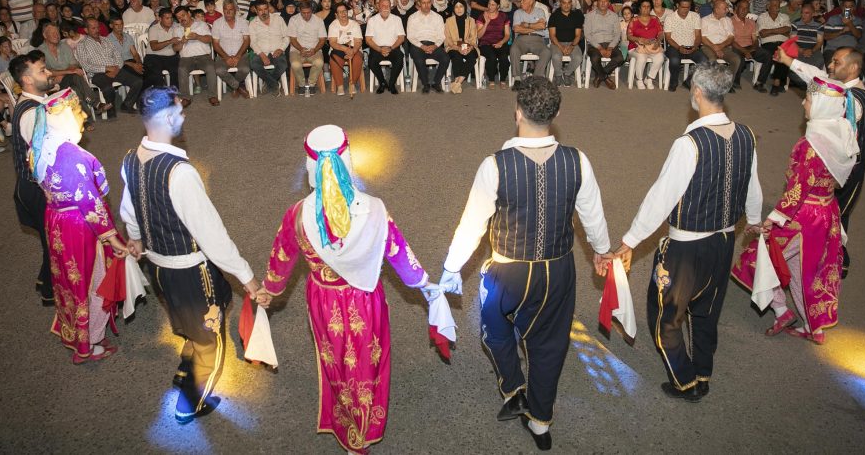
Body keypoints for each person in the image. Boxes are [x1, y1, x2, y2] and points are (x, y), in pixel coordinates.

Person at [439, 76, 611, 451]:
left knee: (495, 328)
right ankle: (540, 420)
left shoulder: (495, 165)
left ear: (516, 112)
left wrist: (453, 266)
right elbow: (592, 216)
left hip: (507, 270)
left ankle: (513, 386)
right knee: (550, 345)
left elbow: (473, 222)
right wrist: (602, 248)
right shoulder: (577, 160)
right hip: (558, 269)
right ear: (557, 113)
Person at [254, 125, 440, 453]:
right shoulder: (374, 209)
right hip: (366, 297)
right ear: (347, 160)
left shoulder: (296, 216)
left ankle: (348, 424)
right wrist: (423, 283)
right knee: (369, 358)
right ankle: (367, 420)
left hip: (324, 299)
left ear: (310, 166)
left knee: (337, 359)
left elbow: (281, 258)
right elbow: (398, 252)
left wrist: (269, 289)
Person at [611, 63, 761, 402]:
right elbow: (753, 185)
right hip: (724, 242)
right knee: (707, 311)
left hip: (686, 248)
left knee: (665, 315)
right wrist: (752, 218)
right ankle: (704, 372)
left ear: (697, 93)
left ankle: (685, 380)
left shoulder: (689, 143)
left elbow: (662, 196)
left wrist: (630, 240)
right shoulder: (746, 135)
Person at [120, 87, 262, 425]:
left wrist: (136, 238)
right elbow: (211, 235)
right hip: (191, 271)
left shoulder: (130, 158)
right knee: (210, 336)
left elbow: (129, 208)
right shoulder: (180, 173)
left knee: (184, 317)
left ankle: (186, 363)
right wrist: (247, 276)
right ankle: (190, 403)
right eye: (180, 112)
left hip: (158, 267)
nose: (183, 117)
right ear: (168, 117)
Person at [733, 77, 858, 345]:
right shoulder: (844, 134)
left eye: (809, 99)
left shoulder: (811, 144)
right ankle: (814, 326)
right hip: (827, 211)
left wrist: (773, 219)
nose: (803, 102)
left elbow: (799, 188)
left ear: (823, 106)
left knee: (759, 258)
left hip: (803, 216)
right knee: (809, 270)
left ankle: (780, 309)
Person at [30, 88, 130, 362]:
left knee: (67, 279)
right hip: (79, 226)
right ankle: (92, 343)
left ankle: (73, 332)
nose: (84, 115)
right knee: (92, 279)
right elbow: (92, 205)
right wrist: (114, 239)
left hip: (56, 221)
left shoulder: (41, 147)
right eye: (77, 111)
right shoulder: (72, 158)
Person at [774, 46, 865, 278]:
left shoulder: (853, 98)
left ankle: (838, 259)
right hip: (830, 162)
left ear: (853, 67)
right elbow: (817, 77)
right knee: (822, 210)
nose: (830, 66)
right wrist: (789, 61)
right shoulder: (839, 86)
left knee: (837, 213)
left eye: (837, 63)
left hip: (848, 168)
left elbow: (837, 128)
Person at [9, 52, 56, 305]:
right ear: (27, 80)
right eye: (41, 70)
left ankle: (42, 279)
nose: (48, 73)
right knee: (55, 241)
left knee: (50, 237)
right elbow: (39, 158)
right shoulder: (30, 113)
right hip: (37, 187)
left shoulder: (38, 101)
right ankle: (51, 292)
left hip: (35, 184)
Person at [75, 17, 144, 115]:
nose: (97, 30)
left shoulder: (106, 40)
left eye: (97, 27)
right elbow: (86, 66)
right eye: (93, 28)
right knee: (108, 89)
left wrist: (116, 69)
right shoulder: (82, 45)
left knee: (138, 82)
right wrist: (106, 69)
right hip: (97, 74)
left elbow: (118, 57)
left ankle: (126, 104)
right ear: (86, 30)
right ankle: (111, 111)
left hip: (116, 69)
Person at [406, 0, 450, 94]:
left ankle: (436, 82)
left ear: (432, 2)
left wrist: (435, 46)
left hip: (434, 44)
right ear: (419, 3)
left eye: (428, 2)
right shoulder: (412, 18)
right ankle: (425, 84)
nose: (426, 5)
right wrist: (422, 46)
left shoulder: (438, 17)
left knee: (445, 58)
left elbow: (441, 36)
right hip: (418, 45)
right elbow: (410, 36)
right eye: (423, 3)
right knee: (419, 59)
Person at [175, 7, 218, 106]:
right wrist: (181, 42)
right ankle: (185, 97)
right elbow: (175, 49)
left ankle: (212, 96)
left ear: (189, 14)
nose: (181, 19)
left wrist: (197, 36)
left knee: (211, 67)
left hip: (203, 56)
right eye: (178, 17)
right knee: (181, 69)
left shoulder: (201, 24)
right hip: (186, 58)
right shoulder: (177, 28)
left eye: (183, 15)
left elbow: (209, 40)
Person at [247, 0, 289, 96]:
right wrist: (261, 55)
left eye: (265, 9)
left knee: (283, 65)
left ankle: (268, 83)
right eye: (260, 10)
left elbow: (287, 36)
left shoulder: (278, 19)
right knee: (254, 64)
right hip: (262, 51)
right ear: (256, 11)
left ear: (268, 8)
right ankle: (274, 84)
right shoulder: (253, 23)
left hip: (277, 50)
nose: (263, 12)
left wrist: (281, 49)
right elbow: (252, 42)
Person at [663, 0, 706, 91]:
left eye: (688, 7)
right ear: (677, 5)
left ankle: (688, 81)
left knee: (704, 61)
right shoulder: (670, 18)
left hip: (691, 46)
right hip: (674, 46)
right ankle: (674, 81)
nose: (685, 10)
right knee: (674, 60)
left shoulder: (695, 16)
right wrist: (679, 48)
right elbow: (668, 38)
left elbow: (698, 36)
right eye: (683, 7)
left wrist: (695, 46)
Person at [510, 0, 551, 87]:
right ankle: (517, 78)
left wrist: (527, 25)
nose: (521, 2)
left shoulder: (539, 11)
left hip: (537, 40)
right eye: (521, 0)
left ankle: (536, 78)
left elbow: (542, 26)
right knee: (514, 49)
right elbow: (516, 29)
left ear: (531, 1)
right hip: (521, 39)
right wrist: (534, 28)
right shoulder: (518, 12)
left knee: (547, 52)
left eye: (523, 0)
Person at [211, 0, 252, 99]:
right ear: (223, 10)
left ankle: (234, 86)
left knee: (245, 69)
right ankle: (238, 87)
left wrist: (238, 56)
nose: (228, 12)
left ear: (235, 10)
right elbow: (215, 44)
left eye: (231, 9)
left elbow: (247, 41)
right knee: (219, 70)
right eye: (225, 9)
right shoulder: (217, 23)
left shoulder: (243, 22)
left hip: (241, 54)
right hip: (223, 55)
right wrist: (226, 57)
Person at [584, 0, 623, 89]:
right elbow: (587, 34)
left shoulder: (614, 16)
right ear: (597, 2)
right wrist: (599, 47)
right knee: (595, 58)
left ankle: (600, 76)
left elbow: (617, 34)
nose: (603, 3)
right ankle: (605, 77)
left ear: (609, 3)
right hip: (595, 44)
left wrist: (610, 47)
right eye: (601, 1)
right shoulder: (589, 16)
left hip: (610, 43)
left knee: (620, 58)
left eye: (606, 1)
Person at [287, 0, 328, 95]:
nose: (306, 15)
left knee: (319, 62)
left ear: (312, 11)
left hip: (314, 49)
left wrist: (315, 50)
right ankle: (301, 85)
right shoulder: (293, 20)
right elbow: (292, 39)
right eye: (303, 13)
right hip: (297, 49)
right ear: (299, 11)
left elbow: (322, 39)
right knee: (295, 64)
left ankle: (311, 84)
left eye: (308, 12)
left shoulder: (318, 20)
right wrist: (301, 49)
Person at [327, 2, 364, 97]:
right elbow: (333, 42)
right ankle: (340, 86)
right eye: (340, 12)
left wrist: (353, 51)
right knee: (335, 60)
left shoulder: (355, 24)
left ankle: (352, 84)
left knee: (357, 59)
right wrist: (345, 49)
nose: (343, 14)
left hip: (354, 48)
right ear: (336, 15)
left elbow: (358, 42)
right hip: (338, 48)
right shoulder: (333, 25)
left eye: (345, 11)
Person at [547, 0, 583, 87]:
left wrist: (571, 46)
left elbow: (578, 35)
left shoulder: (576, 16)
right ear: (560, 3)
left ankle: (567, 73)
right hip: (557, 43)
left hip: (572, 42)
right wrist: (561, 47)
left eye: (568, 3)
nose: (566, 5)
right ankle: (558, 75)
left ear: (571, 3)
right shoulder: (554, 16)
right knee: (555, 56)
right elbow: (552, 35)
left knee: (578, 58)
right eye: (564, 3)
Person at [628, 0, 665, 89]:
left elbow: (661, 33)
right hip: (636, 47)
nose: (646, 8)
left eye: (648, 7)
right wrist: (640, 39)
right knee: (641, 57)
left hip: (652, 46)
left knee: (660, 57)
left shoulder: (655, 19)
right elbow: (629, 36)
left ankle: (649, 78)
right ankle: (639, 79)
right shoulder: (634, 20)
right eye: (644, 6)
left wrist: (658, 41)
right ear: (640, 8)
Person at [476, 0, 511, 90]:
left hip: (500, 42)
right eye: (489, 4)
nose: (490, 7)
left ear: (498, 6)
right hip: (485, 43)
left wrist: (501, 42)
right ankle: (491, 80)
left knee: (504, 58)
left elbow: (507, 34)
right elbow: (478, 36)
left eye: (493, 5)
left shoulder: (503, 16)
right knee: (491, 57)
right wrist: (486, 23)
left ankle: (502, 79)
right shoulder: (482, 16)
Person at [444, 0, 478, 94]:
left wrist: (469, 47)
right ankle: (458, 82)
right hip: (453, 46)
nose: (459, 9)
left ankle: (458, 82)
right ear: (453, 9)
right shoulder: (448, 21)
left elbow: (473, 37)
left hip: (468, 46)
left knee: (472, 58)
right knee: (456, 57)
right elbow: (448, 39)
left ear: (465, 8)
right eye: (456, 7)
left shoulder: (471, 21)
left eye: (461, 6)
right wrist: (457, 48)